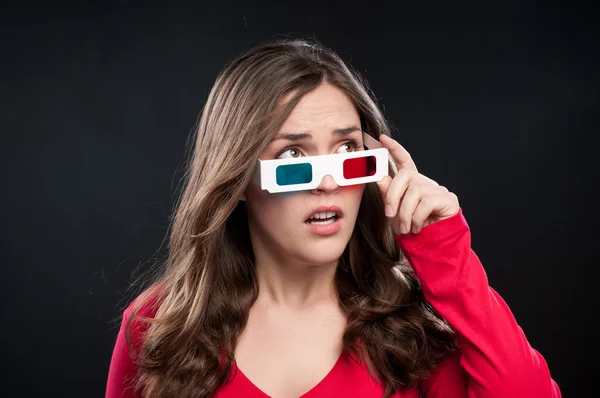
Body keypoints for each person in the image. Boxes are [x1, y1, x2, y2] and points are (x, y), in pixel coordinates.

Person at [105, 37, 561, 398]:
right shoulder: (155, 328)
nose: (327, 184)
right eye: (294, 155)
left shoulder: (412, 329)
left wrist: (448, 252)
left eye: (347, 152)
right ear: (239, 179)